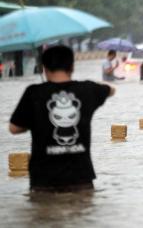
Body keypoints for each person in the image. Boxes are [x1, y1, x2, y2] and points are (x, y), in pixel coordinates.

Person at [9, 45, 115, 193]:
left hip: (43, 182)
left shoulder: (33, 93)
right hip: (81, 180)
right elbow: (111, 90)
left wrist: (38, 119)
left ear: (43, 68)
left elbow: (14, 128)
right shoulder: (88, 90)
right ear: (72, 66)